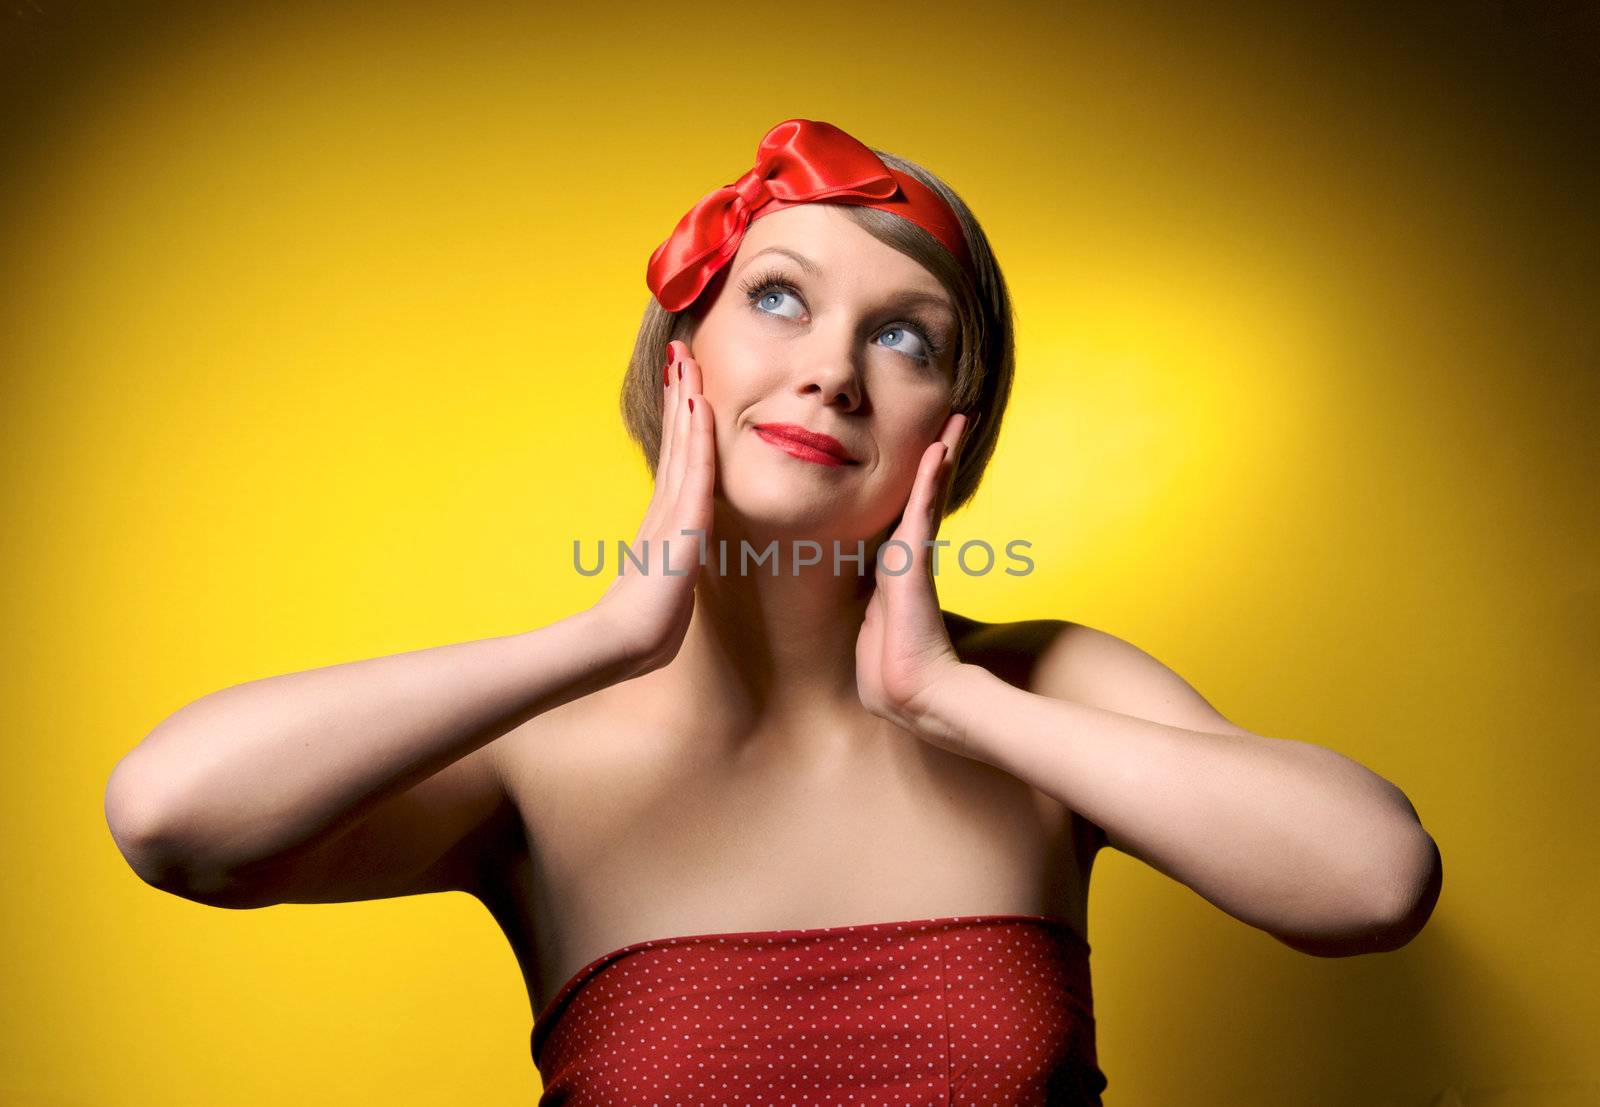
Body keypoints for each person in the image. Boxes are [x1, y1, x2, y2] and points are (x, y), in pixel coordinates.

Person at [103, 118, 1442, 1105]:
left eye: (905, 335)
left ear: (952, 438)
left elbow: (1374, 881)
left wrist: (949, 697)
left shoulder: (1046, 689)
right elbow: (172, 818)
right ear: (680, 364)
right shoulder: (539, 757)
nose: (833, 372)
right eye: (781, 300)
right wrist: (603, 639)